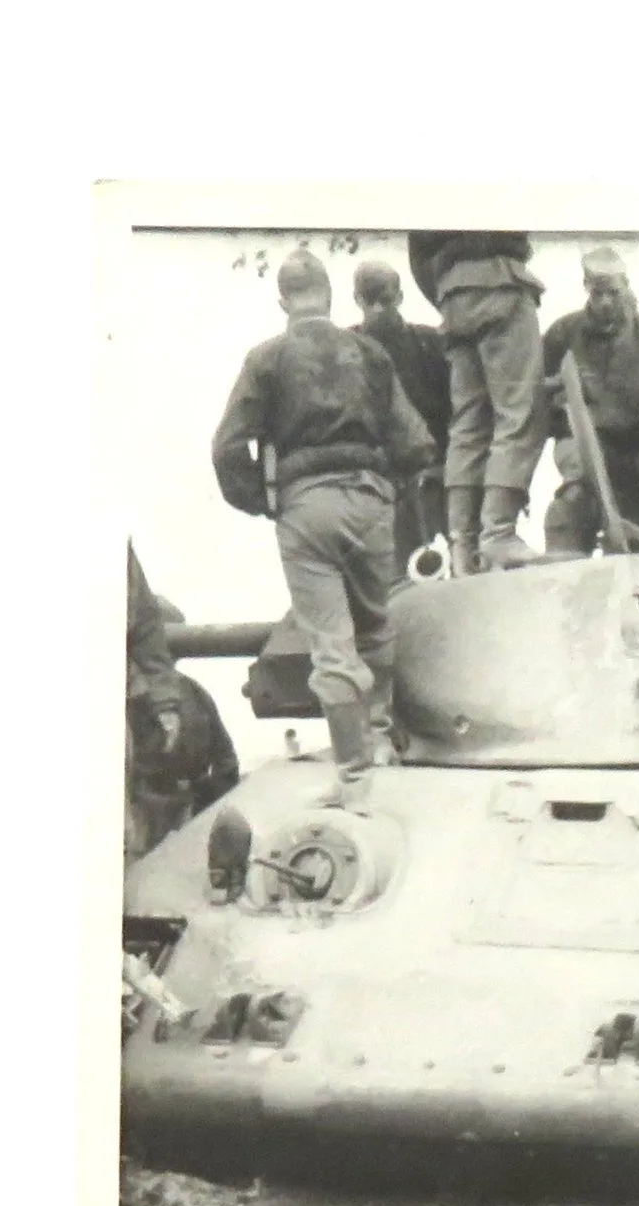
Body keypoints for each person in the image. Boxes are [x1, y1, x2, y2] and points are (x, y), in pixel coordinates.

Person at [210, 249, 433, 809]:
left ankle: (354, 777)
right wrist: (388, 489)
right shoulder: (371, 353)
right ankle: (380, 741)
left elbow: (228, 447)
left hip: (306, 507)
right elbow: (415, 443)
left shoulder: (266, 358)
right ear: (331, 298)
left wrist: (265, 503)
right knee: (376, 627)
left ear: (283, 301)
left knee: (333, 647)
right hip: (370, 499)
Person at [406, 231, 546, 571]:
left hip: (452, 293)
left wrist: (447, 291)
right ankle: (498, 532)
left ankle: (461, 543)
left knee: (468, 424)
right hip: (502, 281)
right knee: (519, 412)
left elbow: (417, 251)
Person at [539, 246, 639, 556]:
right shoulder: (564, 331)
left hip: (632, 443)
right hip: (578, 438)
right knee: (573, 499)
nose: (605, 301)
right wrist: (560, 396)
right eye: (597, 293)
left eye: (613, 292)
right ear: (586, 287)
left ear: (626, 286)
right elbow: (534, 390)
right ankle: (565, 564)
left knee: (629, 529)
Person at [125, 543, 239, 857]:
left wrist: (208, 809)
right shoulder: (184, 693)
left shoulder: (194, 693)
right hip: (143, 810)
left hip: (184, 808)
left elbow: (225, 760)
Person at [349, 259, 450, 569]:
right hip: (380, 485)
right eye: (371, 301)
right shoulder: (348, 348)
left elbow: (456, 409)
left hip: (434, 480)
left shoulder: (429, 342)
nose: (379, 309)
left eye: (386, 300)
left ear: (400, 297)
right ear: (357, 300)